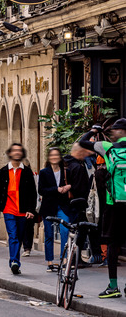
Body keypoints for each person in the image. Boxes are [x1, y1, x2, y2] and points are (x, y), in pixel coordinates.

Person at [77, 120, 126, 298]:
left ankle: (113, 287)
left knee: (113, 245)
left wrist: (93, 131)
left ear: (120, 131)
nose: (113, 133)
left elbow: (82, 143)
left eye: (115, 130)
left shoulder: (107, 146)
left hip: (114, 204)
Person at [0, 143, 37, 275]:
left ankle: (15, 262)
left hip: (23, 210)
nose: (17, 153)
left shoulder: (27, 171)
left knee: (20, 236)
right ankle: (14, 261)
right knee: (13, 236)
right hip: (8, 209)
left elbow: (32, 193)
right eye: (14, 151)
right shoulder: (3, 171)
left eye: (19, 150)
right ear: (10, 153)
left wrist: (31, 209)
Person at [38, 147, 70, 272]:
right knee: (49, 235)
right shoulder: (44, 172)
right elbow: (41, 190)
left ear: (60, 157)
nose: (54, 157)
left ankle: (64, 260)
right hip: (48, 207)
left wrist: (68, 187)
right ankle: (50, 262)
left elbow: (72, 183)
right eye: (52, 155)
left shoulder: (66, 171)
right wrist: (56, 189)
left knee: (64, 231)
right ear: (49, 157)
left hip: (63, 206)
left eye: (57, 155)